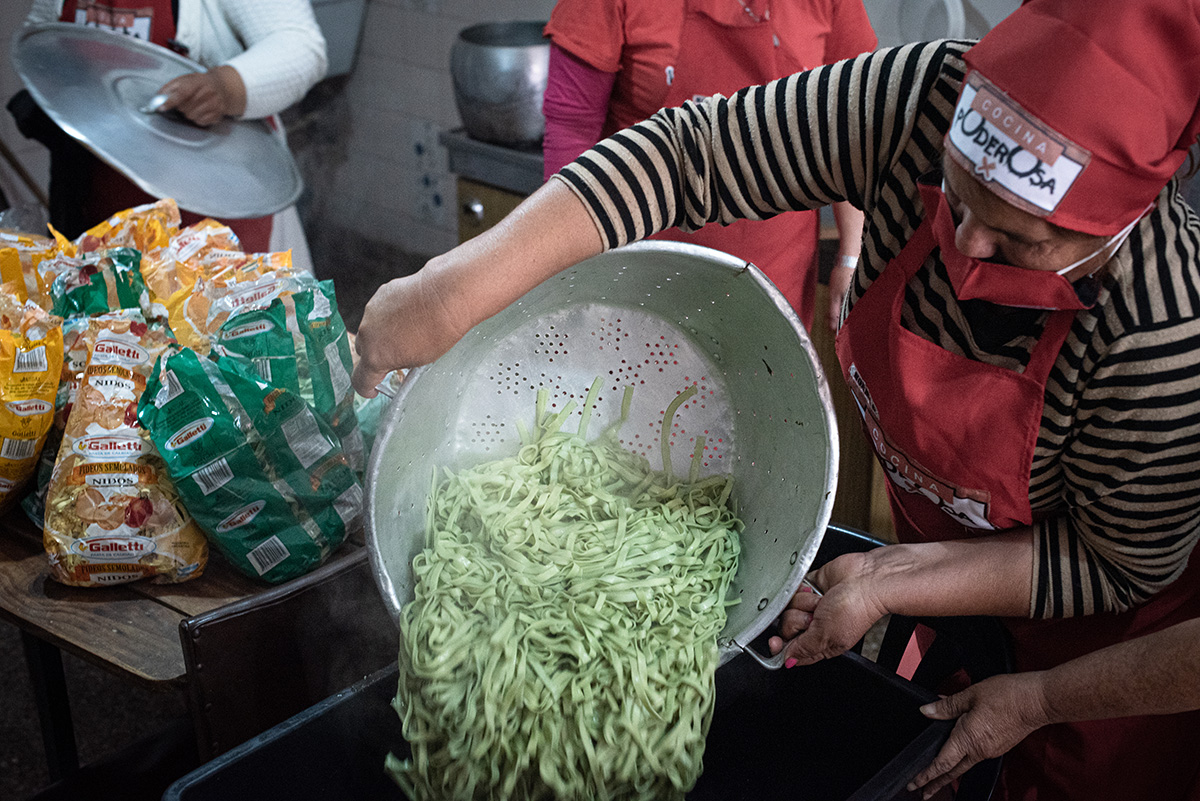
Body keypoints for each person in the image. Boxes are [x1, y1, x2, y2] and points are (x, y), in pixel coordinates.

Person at [350, 0, 1200, 798]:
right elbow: (687, 155)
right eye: (957, 194)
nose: (966, 246)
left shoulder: (1162, 326)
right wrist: (452, 289)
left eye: (1018, 240)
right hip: (946, 576)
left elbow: (1116, 563)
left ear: (1119, 223)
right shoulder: (919, 99)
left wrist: (953, 621)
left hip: (1100, 655)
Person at [542, 0, 876, 332]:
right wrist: (567, 266)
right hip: (637, 261)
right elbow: (572, 128)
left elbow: (846, 122)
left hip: (772, 273)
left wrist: (852, 255)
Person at [12, 0, 326, 267]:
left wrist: (224, 86)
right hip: (98, 203)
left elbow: (300, 44)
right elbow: (42, 35)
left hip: (213, 213)